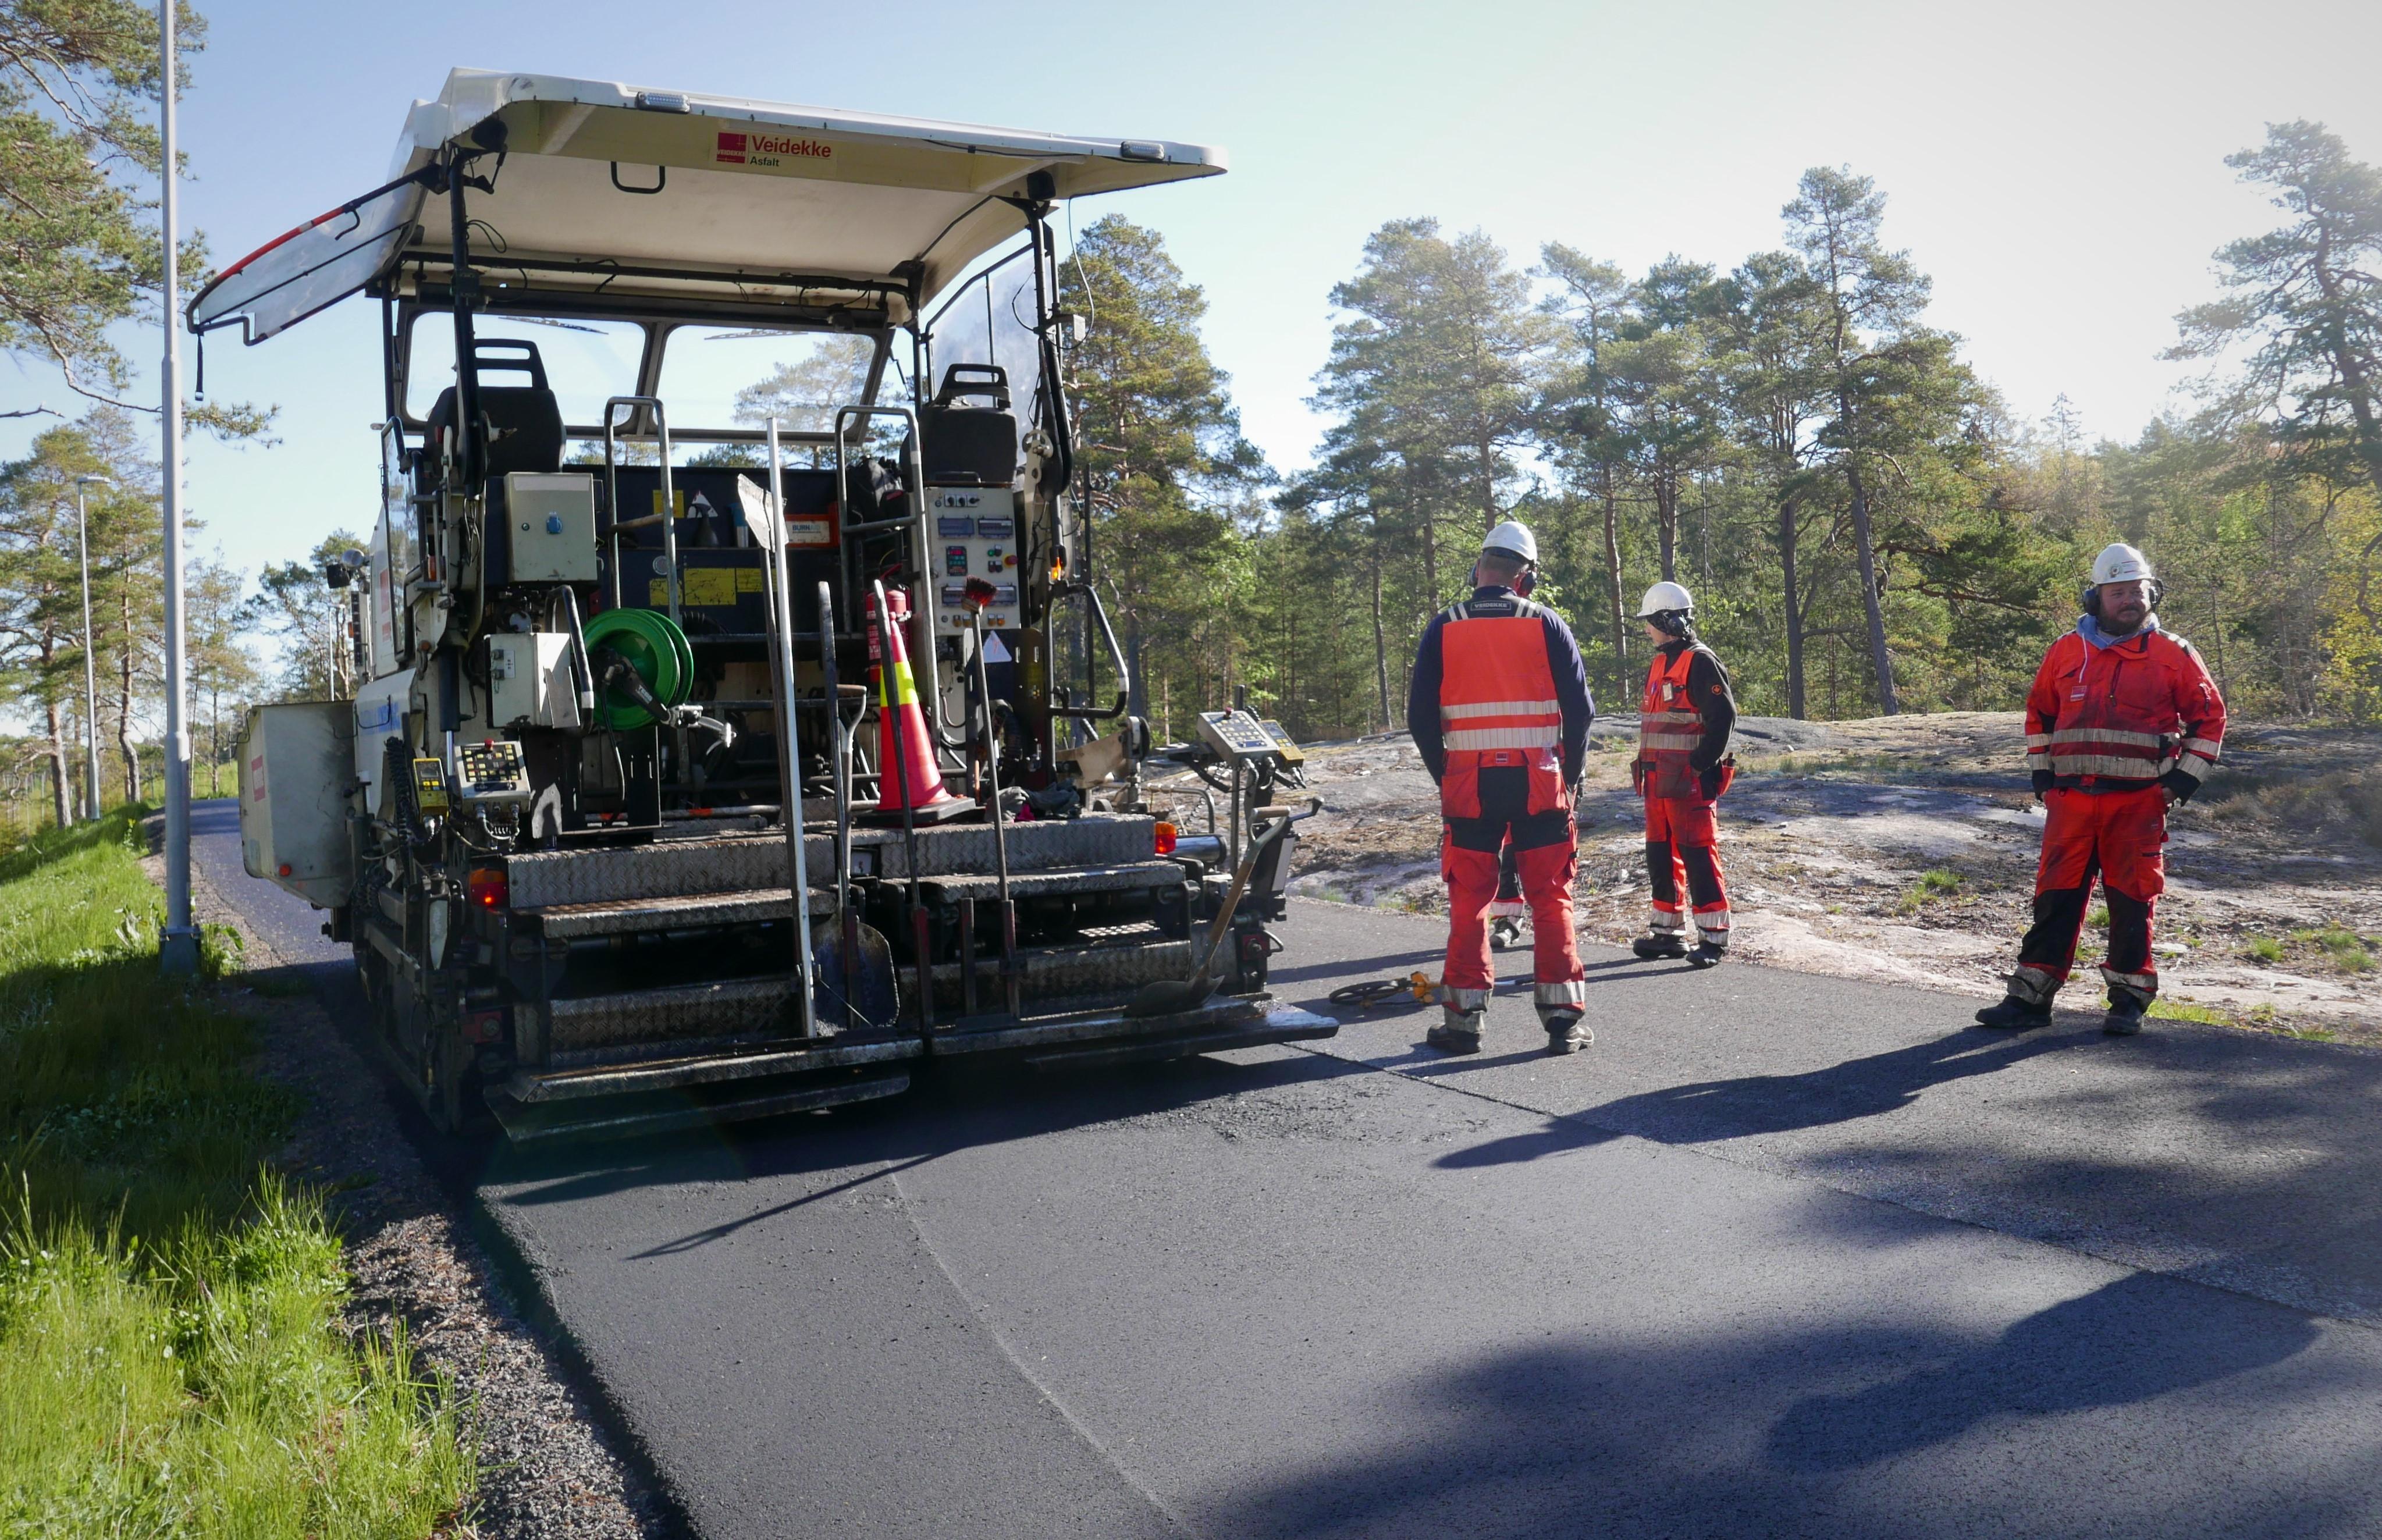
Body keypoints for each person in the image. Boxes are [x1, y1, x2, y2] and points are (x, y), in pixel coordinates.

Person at [1975, 543, 2226, 1036]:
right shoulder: (2066, 650)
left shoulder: (2173, 654)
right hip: (2070, 803)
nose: (2130, 600)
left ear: (2152, 592)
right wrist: (2043, 778)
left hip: (2137, 805)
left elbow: (2211, 720)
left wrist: (2177, 784)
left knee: (2134, 900)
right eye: (2118, 592)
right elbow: (2040, 715)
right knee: (2055, 900)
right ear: (2096, 598)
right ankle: (2028, 999)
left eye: (2138, 591)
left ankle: (2128, 999)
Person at [1407, 521, 1597, 1055]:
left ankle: (1463, 1023)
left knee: (1469, 898)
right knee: (1551, 893)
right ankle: (1563, 1020)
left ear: (1479, 570)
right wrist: (1573, 775)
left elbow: (1420, 717)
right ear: (1526, 579)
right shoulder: (1548, 624)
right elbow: (1581, 714)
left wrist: (1447, 773)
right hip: (1539, 783)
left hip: (1470, 785)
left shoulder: (1444, 627)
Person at [1629, 582, 1737, 967]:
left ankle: (1713, 937)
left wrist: (1698, 766)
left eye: (1650, 623)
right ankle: (1667, 931)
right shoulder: (1660, 662)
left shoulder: (1700, 661)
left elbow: (1723, 718)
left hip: (1688, 783)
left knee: (1698, 855)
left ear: (1667, 620)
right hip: (1659, 784)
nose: (1646, 630)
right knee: (1660, 855)